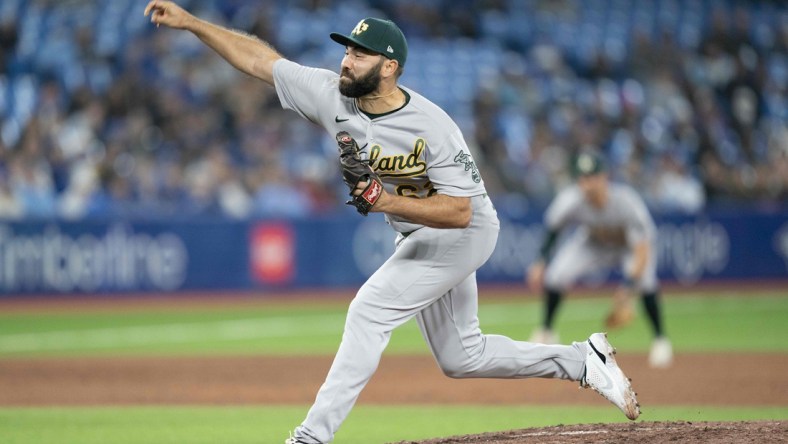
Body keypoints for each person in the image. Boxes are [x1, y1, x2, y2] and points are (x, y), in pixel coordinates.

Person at [143, 3, 641, 443]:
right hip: (422, 234)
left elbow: (460, 211)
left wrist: (384, 201)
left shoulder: (433, 125)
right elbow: (258, 59)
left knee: (368, 310)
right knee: (461, 357)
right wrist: (190, 24)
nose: (346, 59)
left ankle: (312, 437)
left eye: (360, 53)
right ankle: (581, 360)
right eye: (346, 49)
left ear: (389, 67)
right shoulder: (330, 95)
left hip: (465, 232)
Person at [526, 151, 673, 369]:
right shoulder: (572, 198)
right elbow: (553, 228)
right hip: (593, 243)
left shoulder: (625, 201)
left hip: (627, 247)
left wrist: (628, 287)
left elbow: (642, 248)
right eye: (582, 178)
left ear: (604, 177)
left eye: (592, 177)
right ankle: (546, 331)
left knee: (646, 281)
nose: (586, 184)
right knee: (556, 275)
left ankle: (660, 340)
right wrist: (540, 261)